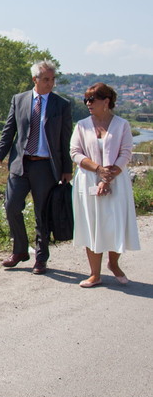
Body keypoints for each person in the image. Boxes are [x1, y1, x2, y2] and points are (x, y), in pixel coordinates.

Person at [0, 60, 72, 274]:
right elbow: (9, 131)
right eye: (46, 79)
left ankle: (41, 258)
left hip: (46, 166)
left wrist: (66, 168)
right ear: (35, 79)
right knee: (11, 206)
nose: (50, 83)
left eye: (53, 79)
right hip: (20, 164)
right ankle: (20, 250)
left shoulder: (61, 105)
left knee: (42, 213)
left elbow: (65, 140)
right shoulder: (19, 100)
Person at [69, 83, 140, 288]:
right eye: (86, 100)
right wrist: (98, 169)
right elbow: (75, 152)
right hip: (88, 179)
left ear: (106, 101)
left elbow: (126, 153)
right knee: (91, 224)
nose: (88, 104)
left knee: (115, 222)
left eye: (92, 100)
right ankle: (94, 274)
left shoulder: (122, 125)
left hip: (116, 181)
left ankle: (114, 264)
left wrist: (107, 177)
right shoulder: (82, 125)